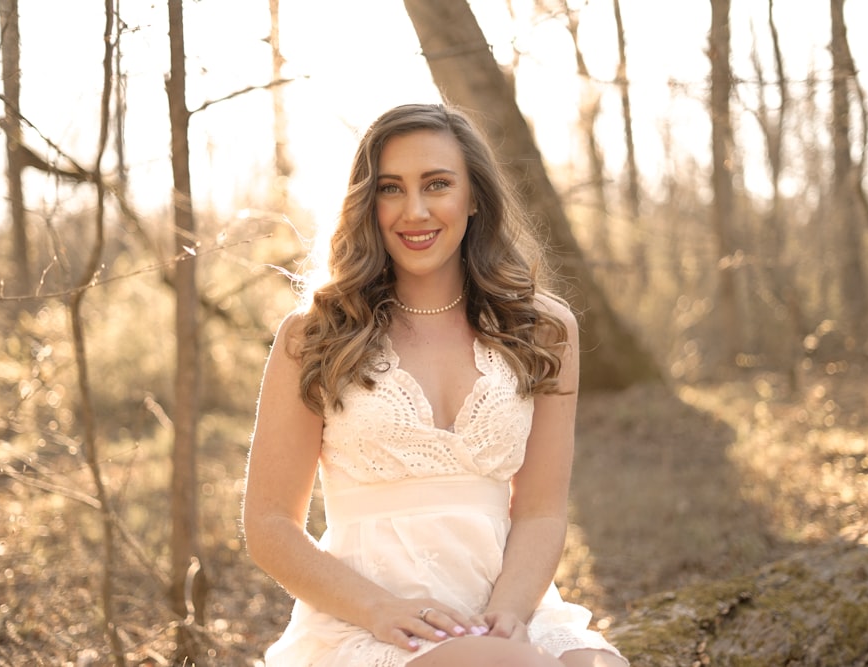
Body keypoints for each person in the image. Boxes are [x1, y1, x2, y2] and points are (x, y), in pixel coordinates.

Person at [242, 103, 628, 667]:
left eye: (438, 184)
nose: (414, 210)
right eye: (391, 188)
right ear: (366, 203)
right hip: (371, 623)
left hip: (509, 608)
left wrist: (511, 614)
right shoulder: (317, 336)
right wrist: (378, 608)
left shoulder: (542, 330)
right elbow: (270, 524)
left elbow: (542, 511)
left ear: (474, 198)